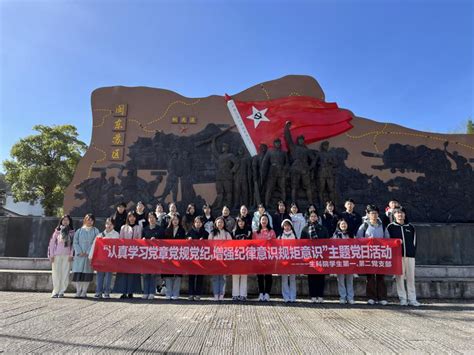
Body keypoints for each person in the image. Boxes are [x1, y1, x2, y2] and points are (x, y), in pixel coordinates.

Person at [356, 204, 390, 305]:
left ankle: (382, 297)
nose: (374, 215)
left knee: (380, 277)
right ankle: (371, 297)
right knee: (370, 277)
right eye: (372, 214)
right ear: (368, 215)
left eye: (375, 213)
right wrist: (367, 241)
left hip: (380, 254)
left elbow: (388, 239)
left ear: (378, 214)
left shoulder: (383, 226)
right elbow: (358, 239)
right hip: (369, 254)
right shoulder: (364, 225)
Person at [387, 207, 420, 307]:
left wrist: (412, 253)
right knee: (399, 278)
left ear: (404, 215)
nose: (400, 215)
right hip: (398, 257)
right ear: (394, 215)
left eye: (401, 213)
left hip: (410, 256)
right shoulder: (390, 227)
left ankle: (412, 299)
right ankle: (402, 299)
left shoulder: (410, 227)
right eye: (397, 213)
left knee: (411, 278)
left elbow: (415, 242)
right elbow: (388, 241)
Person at [113, 212, 143, 299]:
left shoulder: (138, 227)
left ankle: (131, 292)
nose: (132, 218)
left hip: (134, 253)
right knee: (123, 273)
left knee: (132, 274)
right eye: (130, 217)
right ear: (128, 218)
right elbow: (121, 240)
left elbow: (139, 239)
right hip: (124, 253)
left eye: (133, 217)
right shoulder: (123, 227)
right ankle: (123, 292)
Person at [301, 210, 329, 303]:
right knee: (311, 277)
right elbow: (302, 243)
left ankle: (320, 295)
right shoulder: (305, 229)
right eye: (311, 216)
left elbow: (327, 241)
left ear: (318, 217)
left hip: (320, 256)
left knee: (321, 276)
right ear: (309, 218)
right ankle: (312, 295)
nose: (313, 218)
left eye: (315, 216)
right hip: (310, 256)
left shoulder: (323, 228)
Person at [90, 218, 119, 299]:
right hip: (101, 259)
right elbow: (94, 246)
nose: (109, 226)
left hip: (110, 259)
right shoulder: (100, 235)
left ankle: (107, 292)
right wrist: (91, 256)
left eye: (111, 224)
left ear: (113, 225)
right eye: (107, 224)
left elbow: (117, 246)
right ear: (105, 225)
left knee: (108, 276)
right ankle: (98, 292)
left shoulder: (116, 234)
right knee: (99, 275)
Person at [72, 214, 99, 298]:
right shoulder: (79, 231)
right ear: (84, 220)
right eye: (88, 219)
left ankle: (84, 291)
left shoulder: (95, 231)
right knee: (78, 274)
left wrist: (88, 252)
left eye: (91, 220)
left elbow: (96, 242)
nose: (89, 221)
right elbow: (75, 242)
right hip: (79, 256)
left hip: (89, 256)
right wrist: (79, 251)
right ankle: (78, 291)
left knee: (87, 275)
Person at [48, 215, 75, 298]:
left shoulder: (72, 233)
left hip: (67, 256)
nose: (65, 221)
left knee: (65, 273)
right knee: (56, 273)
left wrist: (71, 255)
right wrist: (51, 255)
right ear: (61, 221)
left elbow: (73, 245)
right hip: (57, 255)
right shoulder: (56, 232)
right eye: (64, 220)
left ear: (70, 221)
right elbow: (52, 244)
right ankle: (55, 291)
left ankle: (62, 291)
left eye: (67, 220)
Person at [252, 214, 276, 301]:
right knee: (260, 276)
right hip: (259, 257)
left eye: (265, 219)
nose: (264, 221)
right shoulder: (256, 233)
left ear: (268, 221)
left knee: (268, 275)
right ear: (260, 221)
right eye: (262, 220)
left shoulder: (272, 232)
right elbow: (253, 245)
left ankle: (267, 293)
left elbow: (275, 243)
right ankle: (261, 293)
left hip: (269, 257)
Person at [163, 215, 186, 300]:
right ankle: (168, 293)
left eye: (177, 220)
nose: (175, 221)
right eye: (174, 220)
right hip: (169, 255)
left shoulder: (182, 230)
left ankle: (176, 293)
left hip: (178, 255)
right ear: (171, 221)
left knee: (177, 275)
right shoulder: (167, 230)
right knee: (168, 275)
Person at [209, 216, 232, 300]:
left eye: (221, 222)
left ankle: (222, 294)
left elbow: (230, 245)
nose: (220, 224)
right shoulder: (212, 233)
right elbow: (209, 245)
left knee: (222, 277)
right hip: (215, 258)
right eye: (218, 222)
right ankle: (215, 294)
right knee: (215, 277)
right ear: (215, 223)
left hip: (224, 258)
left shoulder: (227, 233)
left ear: (224, 224)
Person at [142, 212, 164, 300]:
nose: (151, 219)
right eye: (150, 217)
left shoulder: (160, 229)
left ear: (156, 218)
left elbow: (163, 242)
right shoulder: (145, 229)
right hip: (146, 254)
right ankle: (145, 292)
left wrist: (156, 240)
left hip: (155, 254)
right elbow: (141, 239)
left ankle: (151, 292)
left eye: (153, 217)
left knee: (153, 275)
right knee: (145, 274)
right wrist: (143, 240)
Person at [332, 219, 355, 304]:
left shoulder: (351, 234)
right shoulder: (335, 235)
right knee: (340, 280)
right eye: (342, 224)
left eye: (345, 224)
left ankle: (350, 297)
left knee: (350, 280)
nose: (344, 225)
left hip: (350, 260)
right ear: (339, 225)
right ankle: (342, 297)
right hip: (340, 260)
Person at [186, 216, 209, 300]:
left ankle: (198, 294)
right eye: (196, 222)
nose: (198, 224)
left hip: (201, 257)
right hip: (192, 257)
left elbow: (209, 245)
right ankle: (191, 294)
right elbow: (185, 244)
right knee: (191, 276)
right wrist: (188, 239)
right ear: (194, 223)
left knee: (200, 277)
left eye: (199, 222)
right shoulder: (190, 232)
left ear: (202, 223)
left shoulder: (205, 233)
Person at [232, 217, 252, 301]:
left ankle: (243, 294)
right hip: (236, 256)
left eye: (242, 221)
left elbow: (251, 243)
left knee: (244, 276)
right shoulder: (233, 232)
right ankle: (235, 294)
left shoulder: (248, 231)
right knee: (235, 276)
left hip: (246, 256)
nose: (241, 223)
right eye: (239, 221)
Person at [279, 219, 297, 302]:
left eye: (288, 225)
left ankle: (293, 296)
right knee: (284, 279)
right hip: (283, 260)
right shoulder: (280, 236)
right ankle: (286, 296)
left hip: (292, 259)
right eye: (285, 225)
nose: (287, 227)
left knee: (293, 279)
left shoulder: (294, 236)